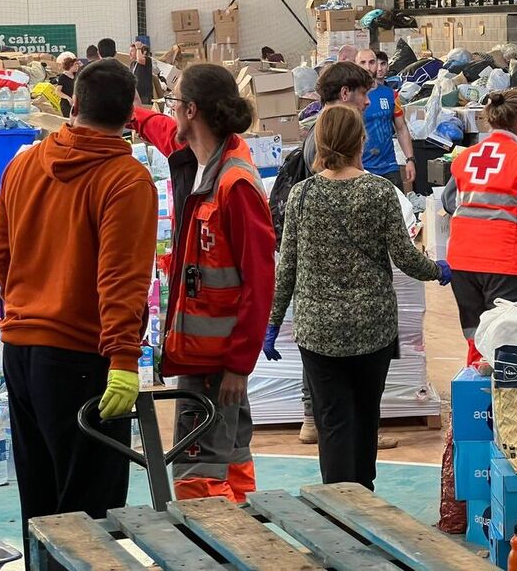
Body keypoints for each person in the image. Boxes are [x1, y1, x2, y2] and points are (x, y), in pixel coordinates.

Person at [0, 60, 157, 553]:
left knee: (41, 504)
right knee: (90, 516)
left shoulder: (25, 163)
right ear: (131, 115)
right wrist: (125, 360)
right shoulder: (126, 180)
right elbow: (122, 279)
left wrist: (27, 301)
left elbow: (0, 250)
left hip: (21, 353)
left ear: (74, 105)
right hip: (84, 359)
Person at [265, 105, 450, 490]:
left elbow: (288, 267)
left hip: (319, 331)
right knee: (366, 417)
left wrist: (273, 322)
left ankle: (336, 503)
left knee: (332, 421)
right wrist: (439, 271)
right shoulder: (380, 191)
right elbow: (404, 258)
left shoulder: (302, 195)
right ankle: (365, 496)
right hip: (374, 328)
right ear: (360, 140)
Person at [131, 63, 275, 502]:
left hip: (217, 362)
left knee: (198, 471)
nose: (169, 112)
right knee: (230, 455)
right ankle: (244, 534)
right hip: (205, 356)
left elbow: (260, 281)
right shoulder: (194, 160)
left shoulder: (235, 184)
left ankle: (208, 552)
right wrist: (130, 112)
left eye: (174, 102)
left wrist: (238, 364)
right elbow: (158, 128)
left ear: (191, 110)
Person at [267, 61, 397, 450]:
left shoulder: (319, 161)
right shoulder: (330, 157)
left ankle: (335, 430)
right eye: (364, 93)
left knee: (338, 402)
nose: (369, 101)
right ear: (345, 95)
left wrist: (274, 319)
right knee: (339, 405)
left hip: (322, 308)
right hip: (342, 303)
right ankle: (315, 419)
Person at [447, 90, 517, 365]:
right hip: (506, 261)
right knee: (512, 340)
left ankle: (474, 399)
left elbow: (451, 201)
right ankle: (506, 403)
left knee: (477, 336)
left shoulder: (465, 157)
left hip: (462, 261)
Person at [357, 48, 416, 191]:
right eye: (362, 62)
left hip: (389, 167)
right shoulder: (351, 97)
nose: (367, 67)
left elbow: (401, 128)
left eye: (371, 62)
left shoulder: (391, 95)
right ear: (355, 65)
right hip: (362, 168)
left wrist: (410, 159)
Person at [54, 51, 81, 117]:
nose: (77, 66)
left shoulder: (76, 75)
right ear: (70, 66)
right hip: (66, 104)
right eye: (75, 65)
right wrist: (68, 98)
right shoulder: (62, 77)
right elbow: (57, 91)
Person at [130, 41, 154, 106]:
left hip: (144, 95)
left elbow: (140, 59)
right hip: (136, 94)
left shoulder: (147, 60)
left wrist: (138, 48)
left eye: (132, 51)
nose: (130, 53)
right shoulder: (133, 64)